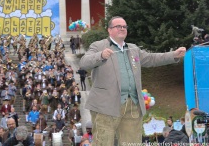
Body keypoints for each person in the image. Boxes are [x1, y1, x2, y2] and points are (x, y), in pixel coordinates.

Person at [79, 16, 186, 145]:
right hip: (105, 106)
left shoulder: (133, 48)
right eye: (118, 26)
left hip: (133, 105)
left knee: (132, 143)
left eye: (124, 26)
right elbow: (84, 63)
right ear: (109, 30)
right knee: (103, 142)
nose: (122, 28)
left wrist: (173, 55)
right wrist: (100, 55)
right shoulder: (98, 45)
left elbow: (151, 58)